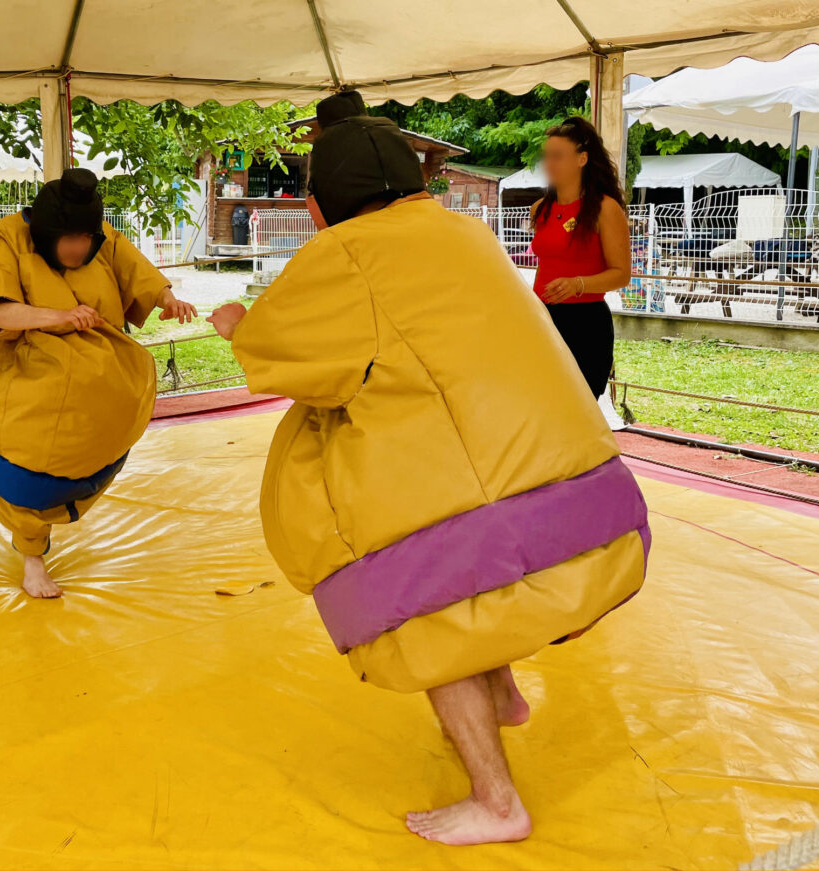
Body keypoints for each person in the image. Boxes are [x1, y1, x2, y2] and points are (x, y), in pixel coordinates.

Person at [209, 91, 650, 846]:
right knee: (468, 526)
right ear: (419, 182)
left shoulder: (344, 254)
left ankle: (497, 799)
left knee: (416, 595)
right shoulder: (465, 231)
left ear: (320, 207)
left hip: (498, 518)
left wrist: (235, 324)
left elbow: (280, 357)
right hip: (597, 505)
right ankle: (504, 689)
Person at [0, 168, 196, 598]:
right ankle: (32, 559)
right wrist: (59, 317)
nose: (81, 247)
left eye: (87, 238)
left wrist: (166, 297)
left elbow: (133, 265)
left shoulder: (97, 235)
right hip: (16, 364)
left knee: (104, 433)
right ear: (45, 231)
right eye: (71, 239)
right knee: (33, 462)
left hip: (94, 370)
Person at [531, 116, 631, 398]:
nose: (549, 163)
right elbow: (545, 265)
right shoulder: (540, 209)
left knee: (577, 411)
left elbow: (621, 274)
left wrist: (578, 284)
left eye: (558, 156)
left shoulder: (605, 209)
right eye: (547, 156)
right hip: (543, 319)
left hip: (586, 324)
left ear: (582, 159)